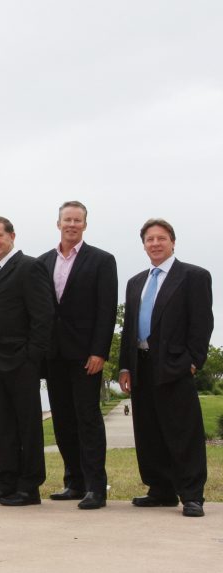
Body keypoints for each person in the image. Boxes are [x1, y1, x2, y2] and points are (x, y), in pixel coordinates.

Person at [119, 218, 213, 518]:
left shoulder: (193, 276)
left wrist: (194, 361)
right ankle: (160, 490)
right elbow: (129, 328)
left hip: (174, 365)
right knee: (148, 431)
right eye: (149, 239)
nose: (155, 244)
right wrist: (124, 367)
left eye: (161, 238)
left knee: (182, 431)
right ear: (144, 244)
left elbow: (202, 323)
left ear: (172, 241)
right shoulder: (136, 282)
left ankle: (191, 495)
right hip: (141, 365)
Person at [38, 202, 117, 510]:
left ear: (85, 225)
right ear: (58, 223)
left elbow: (106, 310)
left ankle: (96, 487)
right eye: (66, 219)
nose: (71, 224)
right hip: (54, 355)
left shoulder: (102, 260)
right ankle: (74, 482)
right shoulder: (43, 262)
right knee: (63, 421)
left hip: (86, 356)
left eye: (77, 220)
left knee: (88, 420)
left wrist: (100, 351)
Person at [0, 216, 54, 507]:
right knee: (1, 427)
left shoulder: (29, 266)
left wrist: (31, 358)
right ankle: (6, 481)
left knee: (28, 427)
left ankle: (29, 486)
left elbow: (43, 316)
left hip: (21, 362)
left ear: (12, 236)